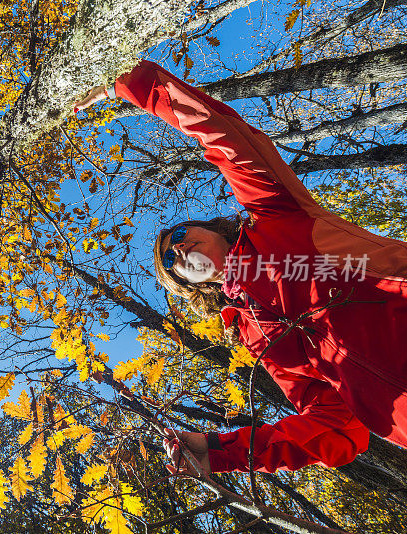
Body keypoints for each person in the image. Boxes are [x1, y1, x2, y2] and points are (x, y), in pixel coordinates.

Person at [74, 60, 407, 475]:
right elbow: (337, 426)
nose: (178, 248)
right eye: (170, 261)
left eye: (179, 234)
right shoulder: (254, 336)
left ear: (207, 227)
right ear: (188, 283)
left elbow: (228, 139)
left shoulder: (276, 215)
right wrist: (219, 451)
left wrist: (127, 82)